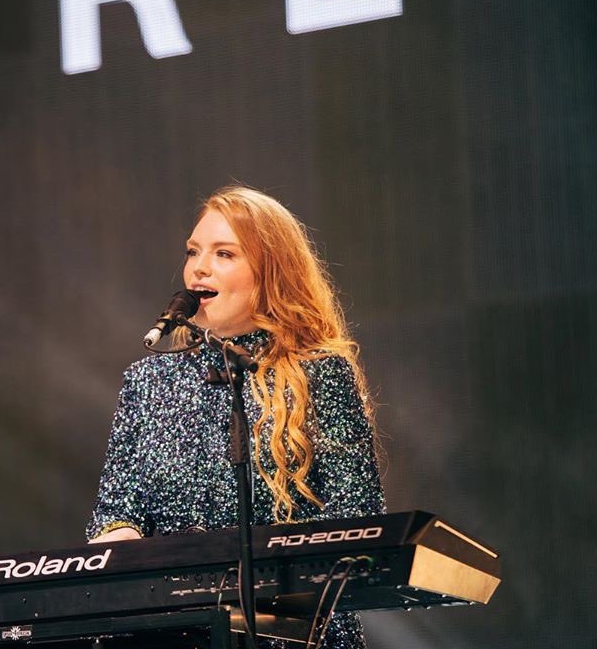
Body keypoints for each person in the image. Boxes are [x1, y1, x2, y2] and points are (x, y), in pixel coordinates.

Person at [86, 186, 384, 649]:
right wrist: (121, 543)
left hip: (296, 634)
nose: (198, 268)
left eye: (224, 254)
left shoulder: (319, 372)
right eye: (192, 252)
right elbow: (114, 510)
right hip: (175, 633)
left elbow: (359, 518)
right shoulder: (147, 381)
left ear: (270, 273)